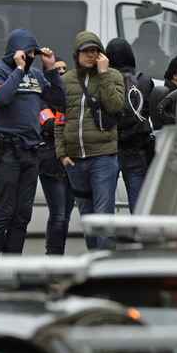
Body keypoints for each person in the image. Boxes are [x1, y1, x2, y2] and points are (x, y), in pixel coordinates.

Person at [0, 29, 64, 255]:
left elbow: (59, 100)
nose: (30, 58)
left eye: (33, 54)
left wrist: (51, 69)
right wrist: (17, 70)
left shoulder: (36, 74)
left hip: (30, 153)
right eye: (26, 54)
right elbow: (1, 97)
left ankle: (11, 270)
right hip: (5, 153)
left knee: (22, 216)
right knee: (3, 213)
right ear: (14, 52)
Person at [55, 32, 125, 249]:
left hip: (103, 158)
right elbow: (60, 119)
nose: (90, 55)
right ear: (77, 53)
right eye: (86, 51)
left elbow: (115, 106)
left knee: (103, 217)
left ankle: (104, 267)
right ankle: (94, 261)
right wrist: (62, 153)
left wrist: (103, 74)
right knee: (87, 217)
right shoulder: (65, 81)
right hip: (75, 160)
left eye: (94, 51)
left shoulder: (113, 76)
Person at [106, 38, 155, 212]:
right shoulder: (144, 80)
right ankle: (139, 238)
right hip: (137, 148)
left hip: (110, 148)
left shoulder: (104, 80)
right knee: (139, 204)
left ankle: (106, 238)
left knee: (105, 201)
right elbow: (149, 111)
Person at [38, 57, 74, 256]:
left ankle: (59, 256)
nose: (62, 72)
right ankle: (52, 258)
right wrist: (70, 120)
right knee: (58, 214)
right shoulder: (42, 97)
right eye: (57, 69)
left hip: (70, 160)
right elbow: (48, 125)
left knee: (66, 216)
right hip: (51, 161)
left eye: (65, 68)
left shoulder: (70, 95)